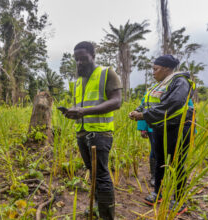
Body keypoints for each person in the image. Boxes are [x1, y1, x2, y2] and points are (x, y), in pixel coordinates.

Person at [129, 55, 195, 215]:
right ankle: (157, 193)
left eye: (155, 69)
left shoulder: (180, 82)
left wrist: (144, 115)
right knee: (159, 160)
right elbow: (148, 101)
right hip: (160, 129)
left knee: (177, 163)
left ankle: (179, 199)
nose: (153, 72)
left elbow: (172, 104)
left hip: (177, 129)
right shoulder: (158, 85)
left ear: (166, 69)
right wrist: (139, 110)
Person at [62, 41, 121, 220]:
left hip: (100, 134)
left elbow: (116, 101)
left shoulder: (106, 73)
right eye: (76, 60)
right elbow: (80, 105)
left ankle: (107, 216)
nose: (79, 63)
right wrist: (72, 111)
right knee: (92, 171)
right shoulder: (79, 81)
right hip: (82, 132)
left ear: (93, 56)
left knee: (101, 175)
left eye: (83, 58)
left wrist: (84, 111)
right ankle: (98, 206)